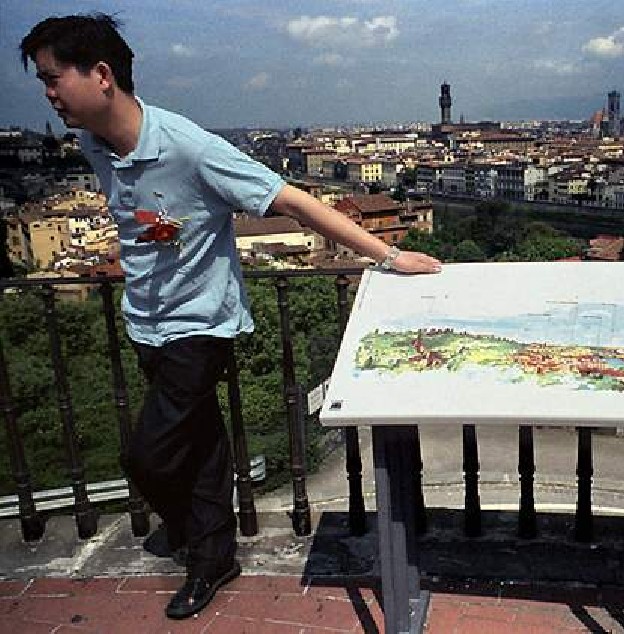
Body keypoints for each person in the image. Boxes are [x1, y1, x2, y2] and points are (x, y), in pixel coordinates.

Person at [20, 12, 441, 620]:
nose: (49, 93)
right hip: (146, 322)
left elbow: (294, 201)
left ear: (102, 75)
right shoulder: (94, 144)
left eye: (54, 78)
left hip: (199, 326)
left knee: (148, 456)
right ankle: (214, 553)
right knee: (201, 445)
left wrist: (391, 255)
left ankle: (201, 545)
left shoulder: (190, 148)